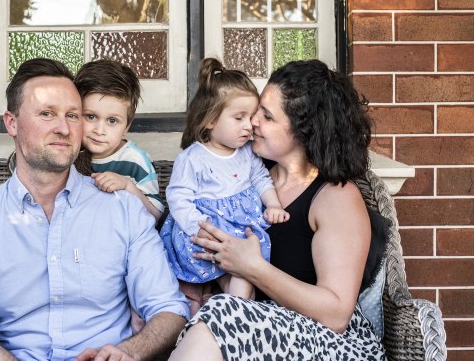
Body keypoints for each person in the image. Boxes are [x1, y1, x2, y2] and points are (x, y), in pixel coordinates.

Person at [0, 58, 189, 361]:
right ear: (12, 123)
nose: (63, 128)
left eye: (73, 115)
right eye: (47, 114)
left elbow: (169, 309)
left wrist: (128, 352)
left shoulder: (124, 209)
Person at [169, 59, 387, 360]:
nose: (253, 121)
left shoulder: (335, 198)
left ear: (303, 132)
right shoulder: (244, 173)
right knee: (215, 315)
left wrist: (253, 268)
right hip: (247, 328)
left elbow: (336, 315)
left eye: (267, 116)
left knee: (221, 314)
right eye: (257, 109)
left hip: (329, 344)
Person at [160, 58, 289, 302]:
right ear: (210, 120)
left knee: (246, 268)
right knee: (235, 269)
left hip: (240, 233)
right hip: (204, 233)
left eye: (251, 117)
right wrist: (198, 226)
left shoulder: (248, 153)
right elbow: (178, 197)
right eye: (239, 117)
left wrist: (273, 204)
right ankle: (226, 307)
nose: (249, 125)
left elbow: (261, 179)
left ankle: (233, 311)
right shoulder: (192, 158)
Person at [74, 59, 164, 222]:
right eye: (91, 117)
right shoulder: (71, 153)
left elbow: (156, 215)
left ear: (127, 126)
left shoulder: (134, 161)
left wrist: (127, 186)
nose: (99, 131)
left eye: (112, 121)